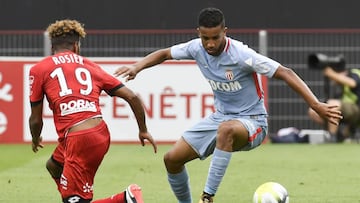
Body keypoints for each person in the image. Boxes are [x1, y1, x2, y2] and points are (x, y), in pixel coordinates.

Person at [114, 7, 342, 203]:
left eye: (215, 37)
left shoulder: (242, 55)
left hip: (253, 123)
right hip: (220, 118)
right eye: (206, 38)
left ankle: (207, 197)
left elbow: (285, 72)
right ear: (199, 34)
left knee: (227, 129)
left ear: (225, 31)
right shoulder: (196, 48)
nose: (210, 44)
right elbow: (165, 53)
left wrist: (316, 104)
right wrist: (137, 67)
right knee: (172, 159)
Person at [29, 19, 157, 203]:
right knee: (54, 166)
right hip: (98, 133)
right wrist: (143, 130)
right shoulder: (90, 66)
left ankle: (125, 198)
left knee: (76, 200)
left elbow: (35, 120)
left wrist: (35, 138)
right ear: (76, 45)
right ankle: (71, 194)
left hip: (78, 139)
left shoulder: (39, 69)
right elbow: (133, 97)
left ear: (52, 47)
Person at [308, 66, 360, 142]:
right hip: (345, 113)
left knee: (333, 104)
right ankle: (339, 135)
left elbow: (352, 83)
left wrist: (331, 74)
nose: (333, 81)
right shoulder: (340, 91)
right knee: (313, 111)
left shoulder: (354, 73)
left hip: (357, 109)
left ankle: (332, 138)